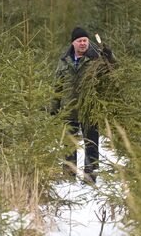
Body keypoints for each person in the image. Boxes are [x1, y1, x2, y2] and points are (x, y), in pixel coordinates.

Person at [50, 27, 116, 184]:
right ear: (73, 43)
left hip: (90, 108)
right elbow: (57, 86)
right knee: (68, 144)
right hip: (68, 108)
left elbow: (113, 69)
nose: (82, 43)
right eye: (79, 40)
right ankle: (68, 176)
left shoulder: (96, 59)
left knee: (91, 144)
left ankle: (90, 176)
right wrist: (54, 108)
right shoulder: (64, 61)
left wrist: (110, 56)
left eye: (85, 40)